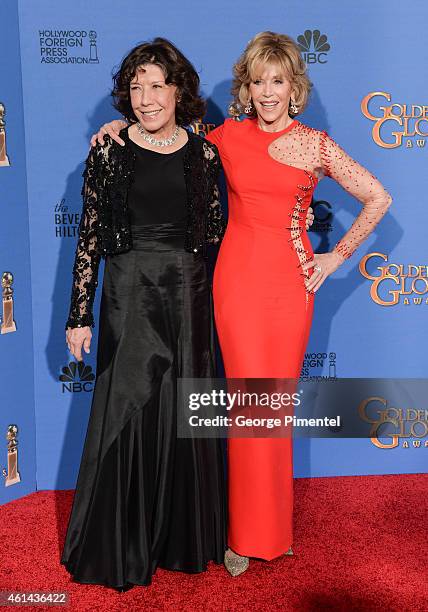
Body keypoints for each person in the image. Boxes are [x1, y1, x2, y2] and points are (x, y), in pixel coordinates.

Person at [92, 31, 391, 577]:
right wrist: (118, 129)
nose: (268, 92)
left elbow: (378, 197)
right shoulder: (223, 137)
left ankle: (273, 533)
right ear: (246, 88)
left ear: (294, 87)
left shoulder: (317, 145)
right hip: (235, 284)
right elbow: (162, 132)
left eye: (278, 81)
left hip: (290, 289)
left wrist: (333, 258)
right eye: (258, 81)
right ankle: (238, 536)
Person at [61, 38, 228, 590]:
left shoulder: (205, 154)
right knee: (127, 405)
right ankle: (120, 542)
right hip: (128, 292)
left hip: (188, 293)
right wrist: (79, 315)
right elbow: (88, 238)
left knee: (186, 408)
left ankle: (182, 540)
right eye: (136, 87)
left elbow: (213, 236)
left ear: (179, 90)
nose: (146, 97)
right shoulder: (108, 150)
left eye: (157, 85)